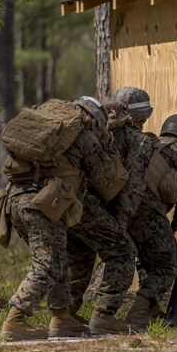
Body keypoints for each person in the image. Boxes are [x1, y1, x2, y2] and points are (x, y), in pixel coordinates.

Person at [0, 96, 124, 341]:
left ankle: (62, 317)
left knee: (57, 255)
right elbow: (105, 179)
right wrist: (107, 144)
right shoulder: (82, 136)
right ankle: (16, 319)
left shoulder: (45, 129)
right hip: (43, 203)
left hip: (14, 199)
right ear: (95, 120)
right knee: (49, 263)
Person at [51, 87, 151, 335]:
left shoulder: (81, 129)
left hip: (61, 202)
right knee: (122, 251)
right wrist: (121, 223)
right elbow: (133, 189)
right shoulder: (138, 140)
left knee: (78, 258)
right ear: (142, 118)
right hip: (88, 207)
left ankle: (65, 316)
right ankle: (103, 316)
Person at [124, 113, 177, 328]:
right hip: (147, 210)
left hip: (124, 211)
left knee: (149, 259)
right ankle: (139, 312)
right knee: (169, 264)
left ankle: (151, 309)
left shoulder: (147, 143)